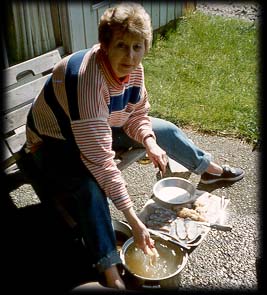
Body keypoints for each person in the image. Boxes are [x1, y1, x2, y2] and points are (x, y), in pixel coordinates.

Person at [25, 2, 244, 289]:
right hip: (53, 143)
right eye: (121, 46)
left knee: (162, 128)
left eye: (137, 47)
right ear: (105, 46)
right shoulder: (87, 80)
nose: (130, 56)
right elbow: (101, 161)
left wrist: (150, 142)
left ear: (145, 47)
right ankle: (110, 270)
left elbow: (137, 114)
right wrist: (132, 217)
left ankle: (209, 169)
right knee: (90, 186)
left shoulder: (134, 69)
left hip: (96, 126)